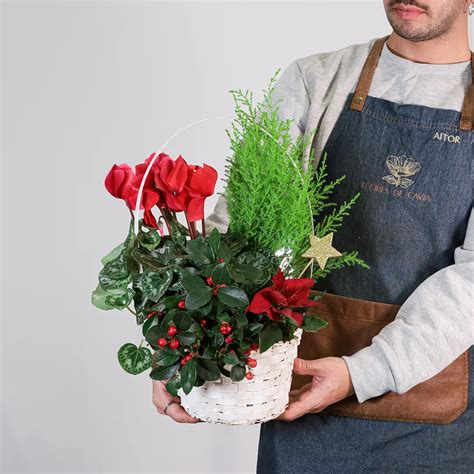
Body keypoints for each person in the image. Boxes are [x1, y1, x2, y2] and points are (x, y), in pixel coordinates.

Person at [152, 0, 474, 471]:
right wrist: (184, 343)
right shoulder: (316, 81)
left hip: (433, 421)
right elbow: (242, 227)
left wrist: (360, 372)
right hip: (303, 404)